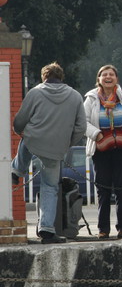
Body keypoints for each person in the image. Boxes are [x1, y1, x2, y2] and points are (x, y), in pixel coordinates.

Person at [11, 62, 86, 244]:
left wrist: (19, 130)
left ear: (44, 77)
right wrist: (67, 144)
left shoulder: (35, 92)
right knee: (49, 188)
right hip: (56, 149)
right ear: (61, 77)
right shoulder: (75, 96)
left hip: (34, 139)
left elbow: (20, 121)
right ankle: (46, 230)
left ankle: (17, 171)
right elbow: (81, 127)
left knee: (26, 139)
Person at [83, 65, 122, 239]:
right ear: (99, 79)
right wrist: (97, 134)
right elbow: (83, 122)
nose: (108, 77)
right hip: (100, 149)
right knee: (103, 190)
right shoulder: (91, 99)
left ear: (117, 78)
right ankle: (103, 229)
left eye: (111, 74)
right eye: (104, 75)